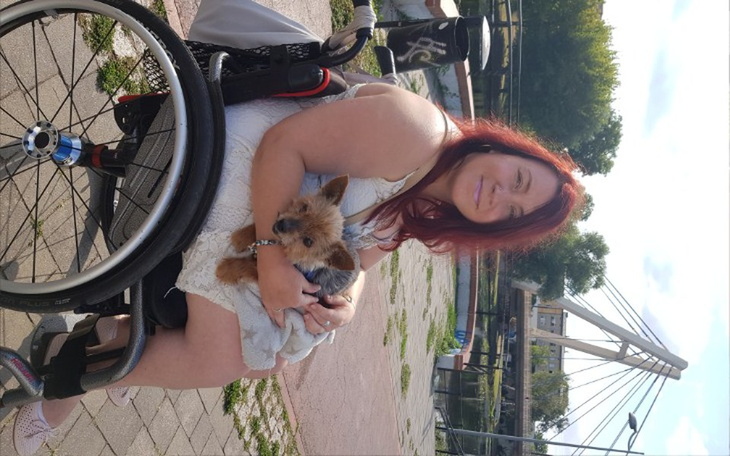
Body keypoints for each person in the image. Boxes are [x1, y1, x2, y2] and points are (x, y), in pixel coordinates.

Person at [12, 1, 583, 454]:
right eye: (517, 179)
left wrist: (346, 305)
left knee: (273, 354)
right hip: (245, 151)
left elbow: (364, 258)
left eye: (512, 212)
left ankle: (118, 343)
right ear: (503, 149)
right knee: (219, 359)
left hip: (281, 201)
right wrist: (269, 259)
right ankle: (69, 370)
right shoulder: (419, 134)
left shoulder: (430, 199)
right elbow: (284, 146)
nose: (500, 195)